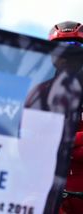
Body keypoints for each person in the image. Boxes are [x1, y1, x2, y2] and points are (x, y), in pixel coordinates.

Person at [48, 21, 83, 214]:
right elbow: (29, 143)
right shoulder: (39, 92)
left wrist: (65, 142)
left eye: (76, 46)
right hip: (52, 195)